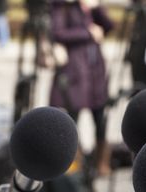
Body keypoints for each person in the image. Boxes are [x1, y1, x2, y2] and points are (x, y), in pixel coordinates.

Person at [49, 0, 114, 176]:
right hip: (75, 72)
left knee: (100, 117)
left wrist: (96, 8)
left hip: (95, 72)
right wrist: (88, 32)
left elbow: (108, 26)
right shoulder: (61, 6)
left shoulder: (89, 7)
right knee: (72, 117)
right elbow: (57, 33)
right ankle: (72, 163)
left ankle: (101, 161)